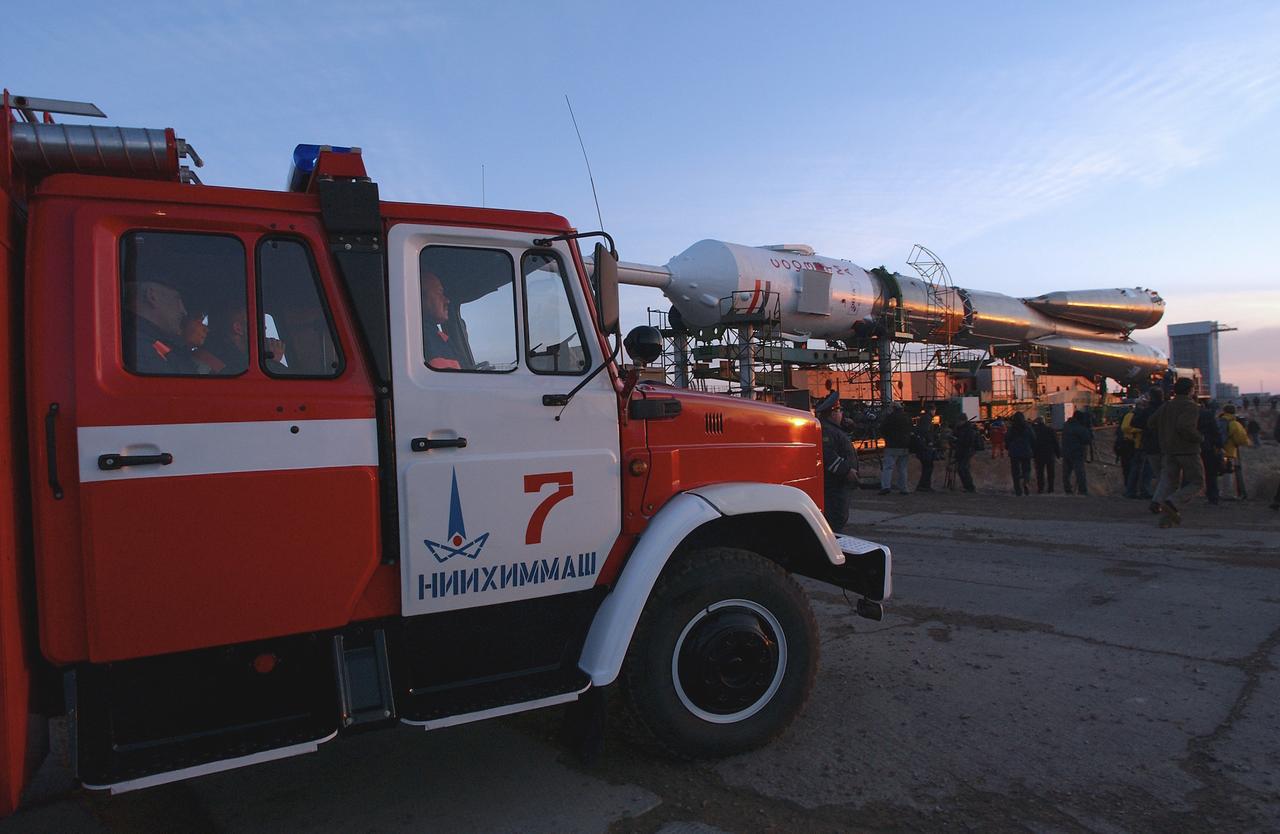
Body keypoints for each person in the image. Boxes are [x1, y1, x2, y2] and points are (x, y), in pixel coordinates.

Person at [1149, 377, 1204, 527]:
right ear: (1190, 390)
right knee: (1197, 482)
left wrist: (1165, 432)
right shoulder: (1191, 406)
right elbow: (1184, 427)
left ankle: (1165, 519)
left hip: (1168, 450)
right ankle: (1172, 503)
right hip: (1187, 451)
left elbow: (1151, 422)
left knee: (1169, 482)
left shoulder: (1167, 406)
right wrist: (1199, 438)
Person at [123, 279, 200, 374]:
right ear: (152, 295)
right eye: (177, 299)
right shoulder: (140, 349)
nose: (183, 311)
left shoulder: (137, 341)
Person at [818, 399, 856, 530]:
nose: (841, 414)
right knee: (836, 517)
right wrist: (846, 471)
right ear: (832, 413)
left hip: (838, 482)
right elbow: (827, 455)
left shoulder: (832, 429)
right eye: (839, 411)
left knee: (839, 515)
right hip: (834, 483)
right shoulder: (827, 431)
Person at [422, 272, 466, 370]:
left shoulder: (437, 336)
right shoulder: (425, 339)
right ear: (420, 297)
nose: (447, 301)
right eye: (439, 293)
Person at [1127, 388, 1163, 500]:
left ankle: (1139, 491)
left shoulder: (1147, 410)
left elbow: (1134, 422)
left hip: (1148, 442)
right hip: (1166, 443)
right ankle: (1160, 494)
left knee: (1144, 468)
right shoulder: (1166, 408)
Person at [878, 402, 912, 495]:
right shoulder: (907, 417)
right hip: (905, 445)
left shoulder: (890, 418)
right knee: (902, 468)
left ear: (893, 408)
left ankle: (886, 487)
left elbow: (882, 428)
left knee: (888, 467)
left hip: (891, 445)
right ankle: (904, 488)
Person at [1218, 404, 1249, 499]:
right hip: (1230, 451)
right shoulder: (1234, 423)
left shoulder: (1219, 420)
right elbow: (1242, 439)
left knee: (1219, 472)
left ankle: (1217, 492)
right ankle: (1228, 494)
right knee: (1229, 472)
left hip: (1218, 450)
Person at [1197, 400, 1223, 505]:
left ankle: (1183, 496)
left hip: (1189, 446)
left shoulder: (1184, 413)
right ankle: (1213, 496)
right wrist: (1219, 445)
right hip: (1207, 447)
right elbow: (1215, 431)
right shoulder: (1207, 415)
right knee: (1210, 473)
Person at [1061, 413, 1093, 495]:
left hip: (1066, 452)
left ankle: (1068, 489)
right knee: (1080, 473)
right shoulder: (1080, 428)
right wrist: (1088, 429)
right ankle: (1082, 490)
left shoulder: (1066, 426)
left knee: (1066, 474)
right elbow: (1087, 440)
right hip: (1077, 453)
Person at [1005, 412, 1034, 496]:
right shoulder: (1028, 427)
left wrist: (1008, 448)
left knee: (1015, 472)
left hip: (1014, 452)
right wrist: (1031, 448)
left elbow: (1007, 439)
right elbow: (1033, 438)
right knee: (1027, 469)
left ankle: (1018, 489)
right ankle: (1026, 482)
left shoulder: (1011, 428)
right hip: (1026, 451)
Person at [912, 405, 938, 492]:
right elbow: (926, 431)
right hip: (925, 446)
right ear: (931, 410)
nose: (935, 412)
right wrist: (930, 441)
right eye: (934, 411)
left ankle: (923, 484)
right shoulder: (927, 419)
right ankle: (925, 485)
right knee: (928, 466)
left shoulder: (923, 418)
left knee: (926, 466)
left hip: (921, 445)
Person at [1031, 417, 1060, 494]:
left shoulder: (1034, 430)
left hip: (1038, 454)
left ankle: (1040, 488)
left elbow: (1032, 442)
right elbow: (1055, 442)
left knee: (1040, 472)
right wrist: (1058, 453)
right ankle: (1051, 488)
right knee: (1051, 472)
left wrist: (1032, 453)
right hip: (1049, 453)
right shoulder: (1050, 429)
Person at [951, 418, 979, 493]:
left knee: (963, 468)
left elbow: (967, 441)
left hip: (966, 451)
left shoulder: (967, 430)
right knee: (962, 469)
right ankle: (968, 486)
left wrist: (957, 440)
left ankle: (969, 487)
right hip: (963, 451)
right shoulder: (962, 429)